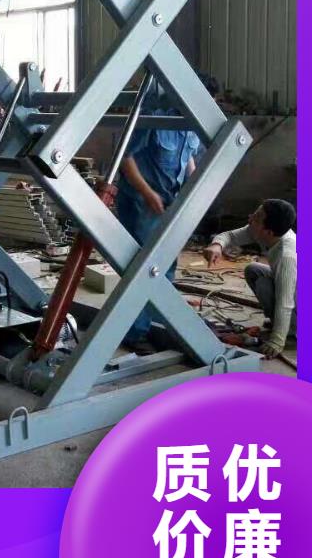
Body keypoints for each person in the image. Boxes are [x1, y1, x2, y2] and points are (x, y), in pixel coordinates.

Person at [116, 84, 203, 355]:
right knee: (144, 268)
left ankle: (156, 326)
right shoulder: (154, 118)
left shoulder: (192, 125)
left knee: (166, 267)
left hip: (168, 203)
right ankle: (134, 333)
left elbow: (188, 159)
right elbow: (125, 158)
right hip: (141, 203)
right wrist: (147, 193)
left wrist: (194, 189)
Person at [204, 199, 296, 359]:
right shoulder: (270, 231)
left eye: (257, 217)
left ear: (268, 232)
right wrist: (217, 245)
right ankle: (280, 323)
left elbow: (285, 302)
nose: (250, 217)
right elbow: (230, 236)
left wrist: (277, 341)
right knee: (253, 270)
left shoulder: (286, 255)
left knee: (265, 285)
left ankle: (291, 331)